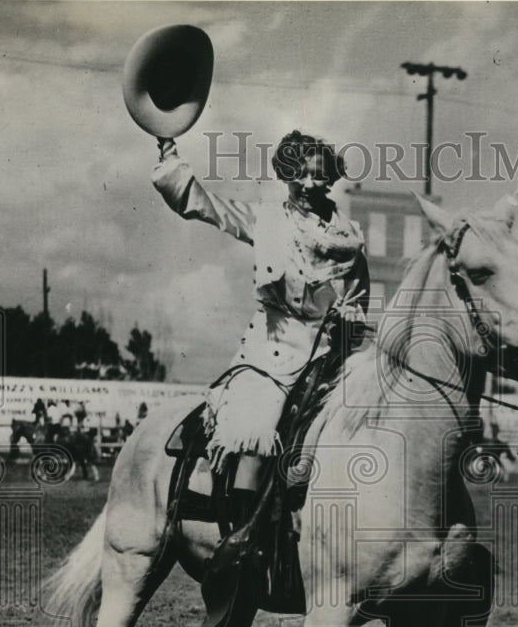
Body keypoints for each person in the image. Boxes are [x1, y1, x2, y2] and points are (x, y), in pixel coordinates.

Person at [152, 129, 370, 520]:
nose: (306, 183)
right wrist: (169, 153)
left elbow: (358, 301)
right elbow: (204, 204)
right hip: (271, 355)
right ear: (285, 175)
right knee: (255, 431)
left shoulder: (350, 240)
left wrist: (351, 316)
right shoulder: (266, 220)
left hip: (329, 356)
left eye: (317, 174)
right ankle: (240, 543)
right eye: (297, 173)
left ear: (331, 178)